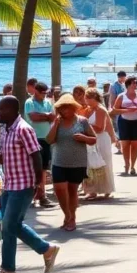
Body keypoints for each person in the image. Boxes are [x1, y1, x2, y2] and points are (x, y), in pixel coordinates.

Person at [0, 97, 60, 273]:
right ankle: (47, 249)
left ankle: (8, 270)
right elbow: (4, 158)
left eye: (1, 110)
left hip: (23, 185)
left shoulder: (24, 129)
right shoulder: (5, 130)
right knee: (13, 225)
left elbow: (37, 155)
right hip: (9, 185)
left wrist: (38, 183)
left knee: (8, 226)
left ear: (12, 110)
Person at [46, 94, 96, 231]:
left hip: (77, 162)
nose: (64, 111)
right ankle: (67, 214)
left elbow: (93, 139)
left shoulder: (82, 121)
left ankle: (72, 217)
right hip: (59, 161)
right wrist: (55, 125)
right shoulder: (56, 122)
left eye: (67, 108)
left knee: (72, 191)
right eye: (61, 108)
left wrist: (83, 137)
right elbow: (49, 140)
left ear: (73, 108)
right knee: (59, 189)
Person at [24, 82, 55, 208]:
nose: (44, 95)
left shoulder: (48, 102)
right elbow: (33, 117)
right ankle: (32, 195)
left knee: (43, 168)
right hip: (33, 138)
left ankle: (42, 195)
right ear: (36, 91)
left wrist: (45, 116)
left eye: (45, 93)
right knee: (32, 167)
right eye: (42, 93)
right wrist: (46, 116)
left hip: (45, 138)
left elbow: (53, 117)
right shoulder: (29, 102)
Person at [82, 88, 115, 199]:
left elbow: (100, 128)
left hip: (101, 139)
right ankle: (92, 190)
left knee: (103, 162)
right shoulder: (88, 110)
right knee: (90, 164)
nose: (85, 100)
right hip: (90, 138)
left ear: (93, 98)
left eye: (87, 97)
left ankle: (106, 188)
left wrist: (86, 127)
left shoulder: (101, 110)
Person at [110, 76, 137, 175]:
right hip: (124, 121)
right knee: (125, 145)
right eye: (134, 83)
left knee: (135, 145)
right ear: (128, 84)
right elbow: (115, 110)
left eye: (136, 83)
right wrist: (128, 110)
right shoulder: (121, 96)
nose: (135, 84)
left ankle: (133, 166)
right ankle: (127, 164)